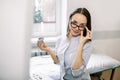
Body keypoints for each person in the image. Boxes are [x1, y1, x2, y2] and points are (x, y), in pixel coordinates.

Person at [37, 8, 92, 80]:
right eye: (74, 23)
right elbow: (58, 61)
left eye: (81, 26)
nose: (76, 28)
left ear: (85, 27)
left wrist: (81, 44)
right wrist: (48, 49)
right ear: (69, 21)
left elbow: (76, 73)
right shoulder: (60, 40)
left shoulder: (87, 44)